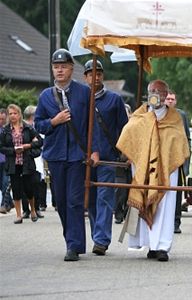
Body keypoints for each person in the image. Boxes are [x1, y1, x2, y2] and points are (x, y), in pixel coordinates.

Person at [35, 48, 100, 261]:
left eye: (63, 66)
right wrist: (54, 121)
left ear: (72, 69)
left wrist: (95, 150)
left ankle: (74, 246)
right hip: (55, 154)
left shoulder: (84, 93)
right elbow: (38, 125)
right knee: (60, 202)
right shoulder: (45, 96)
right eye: (56, 67)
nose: (60, 70)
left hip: (77, 155)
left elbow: (94, 125)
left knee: (74, 200)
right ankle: (70, 240)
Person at [117, 79, 189, 262]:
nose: (156, 94)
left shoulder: (175, 119)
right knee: (143, 197)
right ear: (148, 94)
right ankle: (150, 244)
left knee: (164, 206)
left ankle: (162, 246)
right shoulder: (139, 117)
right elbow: (129, 134)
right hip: (142, 168)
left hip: (166, 171)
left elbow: (179, 142)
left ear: (166, 95)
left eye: (160, 91)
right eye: (153, 90)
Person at [84, 59, 129, 256]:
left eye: (99, 73)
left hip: (108, 157)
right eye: (91, 73)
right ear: (85, 77)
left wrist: (125, 151)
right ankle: (97, 234)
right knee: (90, 199)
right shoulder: (81, 99)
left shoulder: (114, 99)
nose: (96, 77)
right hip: (85, 157)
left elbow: (125, 127)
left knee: (105, 197)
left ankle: (101, 240)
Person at [0, 104, 43, 224]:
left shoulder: (28, 128)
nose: (13, 116)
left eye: (15, 113)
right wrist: (13, 150)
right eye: (10, 114)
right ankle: (19, 215)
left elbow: (40, 141)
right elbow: (2, 147)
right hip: (13, 163)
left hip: (27, 162)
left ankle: (33, 210)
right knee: (16, 188)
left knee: (29, 188)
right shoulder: (5, 130)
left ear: (19, 114)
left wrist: (27, 146)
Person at [165, 90, 191, 234]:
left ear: (175, 101)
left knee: (176, 194)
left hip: (178, 161)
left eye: (172, 99)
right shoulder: (159, 114)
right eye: (167, 99)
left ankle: (176, 222)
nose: (169, 101)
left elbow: (187, 138)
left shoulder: (181, 115)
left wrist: (185, 162)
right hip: (162, 161)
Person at [23, 105, 46, 218]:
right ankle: (26, 209)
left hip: (36, 158)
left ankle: (35, 208)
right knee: (24, 184)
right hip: (25, 159)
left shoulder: (36, 127)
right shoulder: (23, 127)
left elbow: (40, 142)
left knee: (36, 184)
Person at [114, 103, 132, 225]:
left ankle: (127, 212)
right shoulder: (115, 126)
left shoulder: (134, 126)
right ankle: (118, 213)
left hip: (132, 161)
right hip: (118, 161)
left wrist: (131, 158)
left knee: (131, 189)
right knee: (120, 189)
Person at [0, 108, 13, 214]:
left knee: (5, 183)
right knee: (1, 185)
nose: (1, 121)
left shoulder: (9, 130)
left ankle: (3, 205)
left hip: (7, 160)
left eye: (3, 119)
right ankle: (10, 202)